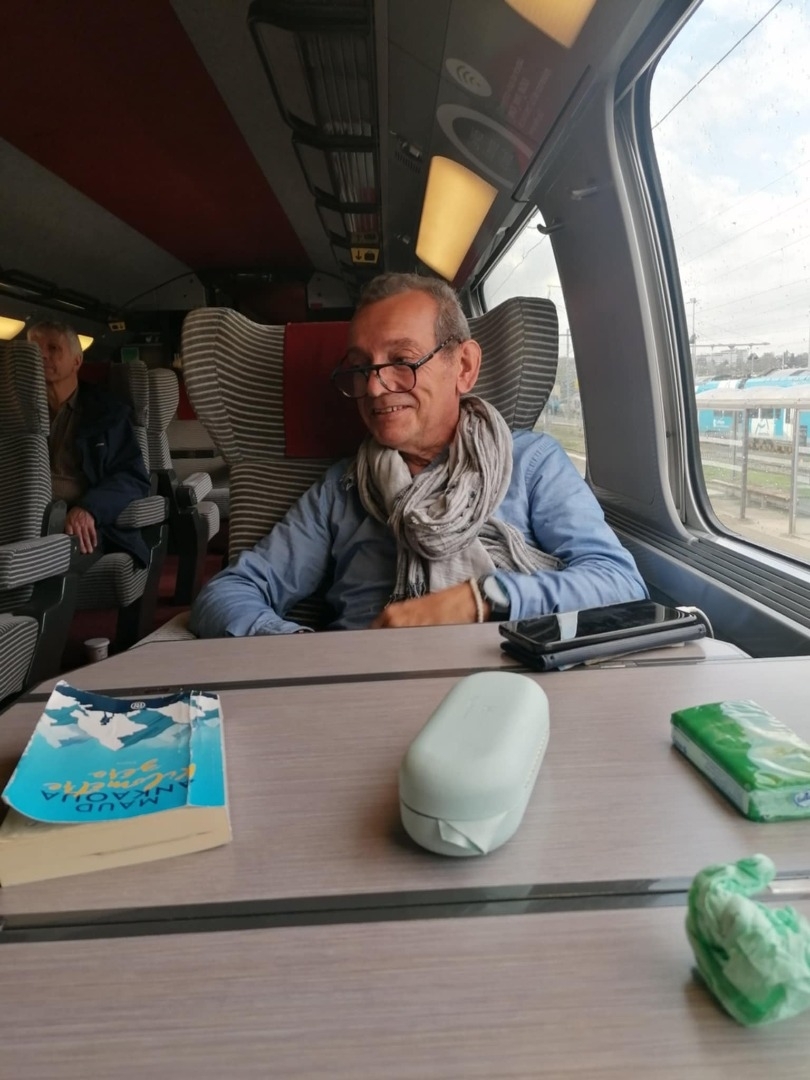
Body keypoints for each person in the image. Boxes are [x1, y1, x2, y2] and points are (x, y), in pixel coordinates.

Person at [190, 273, 647, 637]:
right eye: (361, 367)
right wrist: (299, 650)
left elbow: (620, 584)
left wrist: (481, 599)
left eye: (401, 361)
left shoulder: (531, 463)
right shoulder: (343, 489)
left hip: (511, 687)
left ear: (463, 366)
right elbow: (228, 593)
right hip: (367, 687)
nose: (374, 387)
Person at [26, 320, 151, 566]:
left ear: (77, 361)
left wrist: (89, 508)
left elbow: (132, 476)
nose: (42, 355)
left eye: (53, 348)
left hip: (73, 526)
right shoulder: (13, 414)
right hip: (19, 518)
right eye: (33, 349)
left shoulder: (105, 413)